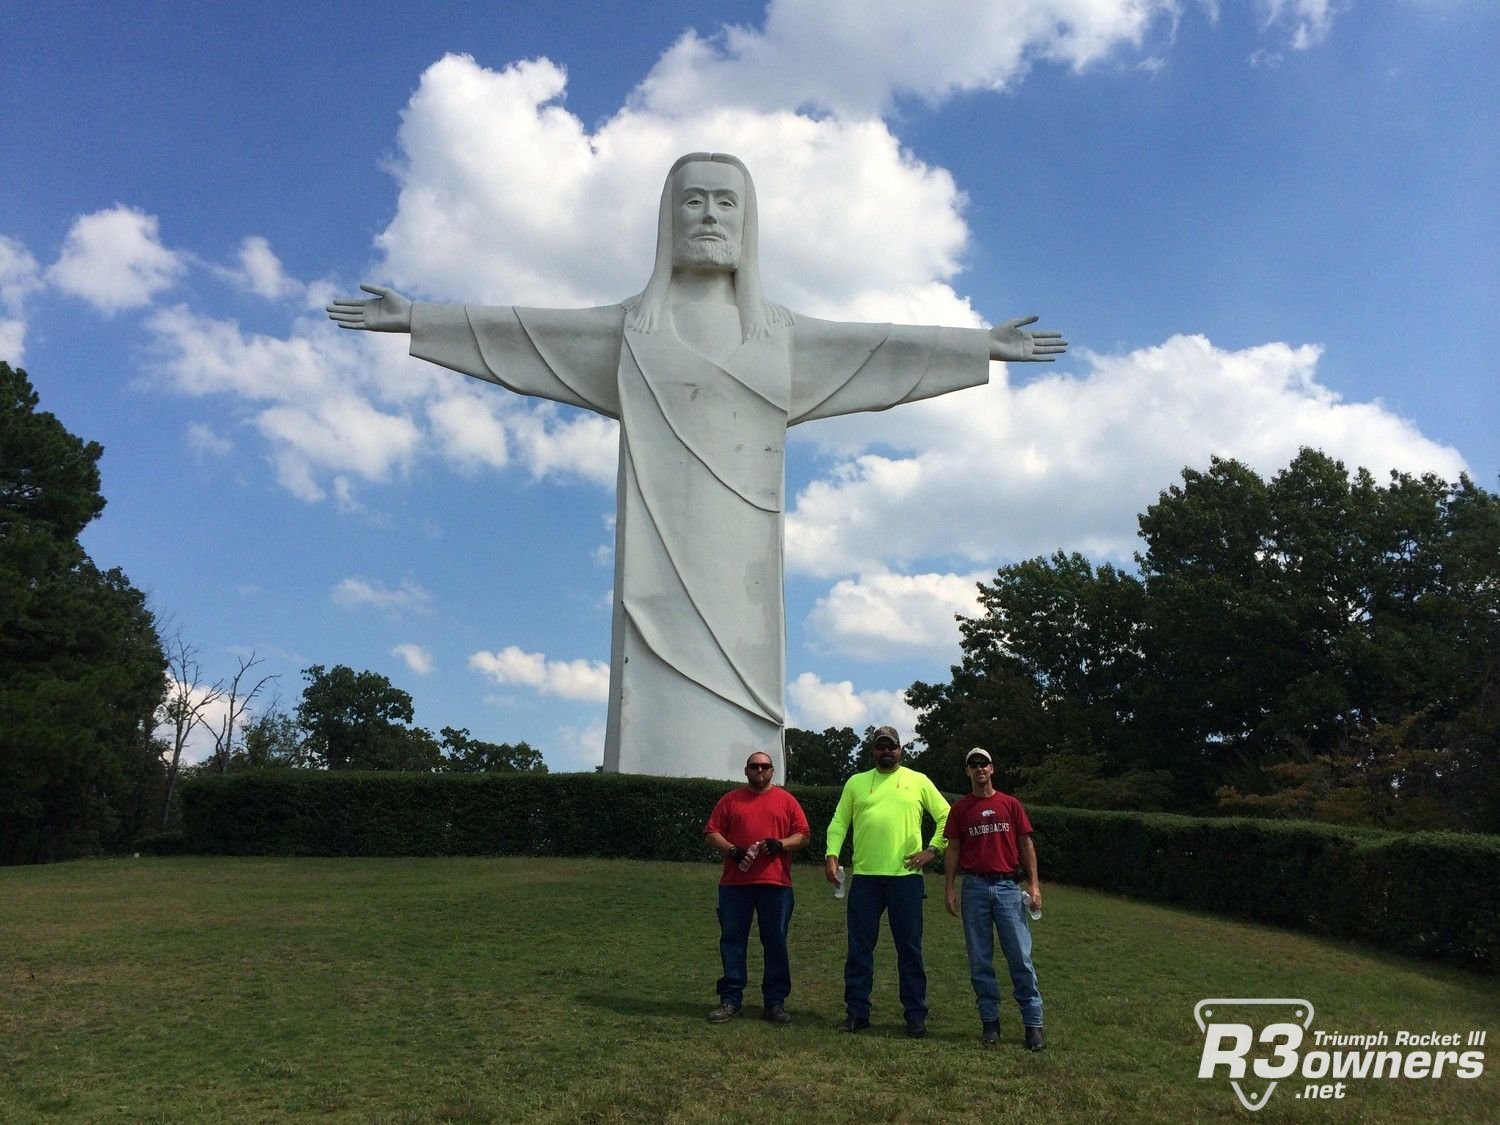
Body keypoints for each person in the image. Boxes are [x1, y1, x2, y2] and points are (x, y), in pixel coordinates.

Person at [328, 153, 1066, 782]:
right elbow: (522, 332)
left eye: (725, 203)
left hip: (744, 562)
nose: (709, 216)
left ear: (748, 224)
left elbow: (881, 348)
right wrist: (417, 319)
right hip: (658, 562)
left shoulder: (779, 336)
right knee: (653, 679)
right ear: (667, 221)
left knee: (746, 683)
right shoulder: (630, 330)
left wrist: (981, 348)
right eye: (693, 201)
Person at [823, 725, 950, 1038]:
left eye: (891, 746)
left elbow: (947, 816)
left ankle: (915, 1016)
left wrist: (932, 850)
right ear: (873, 751)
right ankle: (857, 1012)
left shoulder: (918, 781)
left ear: (900, 750)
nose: (886, 751)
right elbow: (839, 821)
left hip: (905, 879)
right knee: (859, 948)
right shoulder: (856, 782)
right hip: (865, 878)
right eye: (880, 747)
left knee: (909, 949)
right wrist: (831, 854)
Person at [943, 747, 1045, 1050]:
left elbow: (1026, 844)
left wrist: (1034, 884)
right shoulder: (961, 808)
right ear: (968, 772)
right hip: (974, 888)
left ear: (992, 768)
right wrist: (949, 887)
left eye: (983, 764)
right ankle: (990, 1023)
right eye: (973, 765)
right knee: (980, 959)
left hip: (1008, 888)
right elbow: (953, 849)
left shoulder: (1010, 805)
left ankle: (1033, 1024)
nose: (979, 769)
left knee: (1021, 959)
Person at [703, 752, 811, 1025]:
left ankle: (774, 1003)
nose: (760, 770)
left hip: (776, 884)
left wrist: (781, 844)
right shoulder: (730, 800)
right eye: (754, 766)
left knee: (775, 943)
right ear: (746, 770)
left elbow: (803, 836)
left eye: (765, 766)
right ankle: (730, 999)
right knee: (732, 941)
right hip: (734, 885)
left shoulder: (786, 800)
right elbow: (711, 832)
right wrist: (732, 850)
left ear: (773, 771)